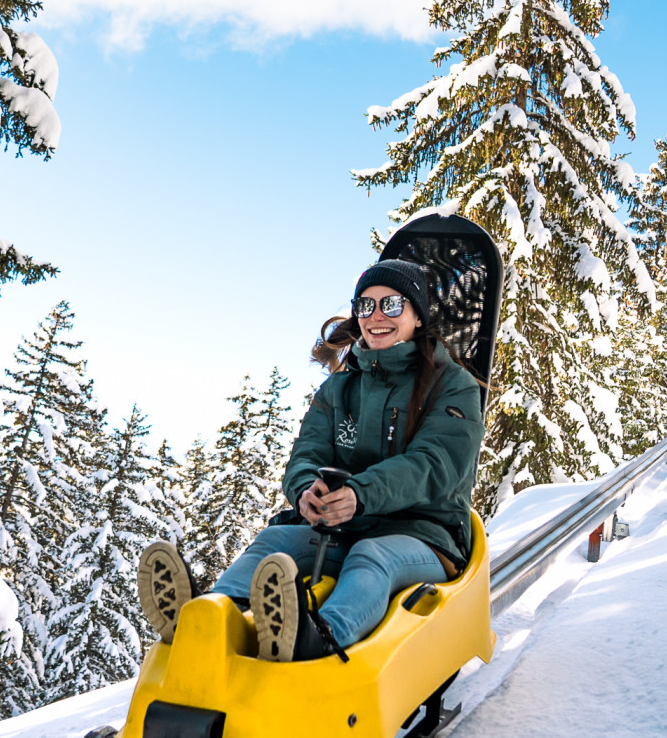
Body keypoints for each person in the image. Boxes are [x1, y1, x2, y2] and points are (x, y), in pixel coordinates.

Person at [137, 259, 486, 662]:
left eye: (391, 305)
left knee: (371, 556)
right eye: (365, 306)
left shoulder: (452, 385)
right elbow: (308, 452)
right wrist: (306, 491)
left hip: (425, 534)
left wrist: (361, 493)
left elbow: (435, 465)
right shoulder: (340, 387)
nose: (376, 316)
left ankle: (318, 638)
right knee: (275, 543)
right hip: (344, 525)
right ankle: (206, 619)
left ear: (417, 315)